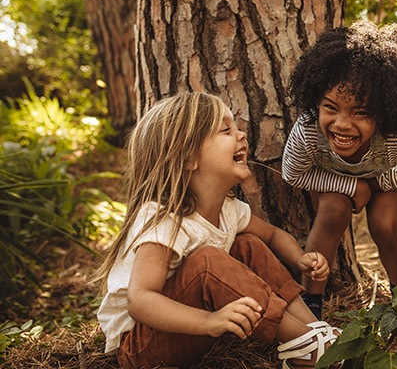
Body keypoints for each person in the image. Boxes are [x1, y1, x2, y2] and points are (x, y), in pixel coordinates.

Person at [95, 93, 339, 369]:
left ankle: (314, 330)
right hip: (143, 347)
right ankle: (306, 346)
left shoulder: (229, 210)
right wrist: (209, 322)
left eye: (236, 127)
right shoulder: (163, 218)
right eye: (226, 130)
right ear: (188, 157)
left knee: (248, 245)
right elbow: (140, 301)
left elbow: (271, 235)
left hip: (189, 331)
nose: (242, 135)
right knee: (206, 261)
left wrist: (299, 259)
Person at [281, 21, 397, 318]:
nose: (342, 123)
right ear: (316, 101)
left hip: (381, 178)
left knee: (385, 226)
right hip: (332, 181)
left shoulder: (395, 135)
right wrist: (350, 186)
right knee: (333, 211)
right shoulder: (308, 130)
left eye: (360, 112)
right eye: (330, 107)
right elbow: (292, 174)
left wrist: (383, 180)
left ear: (383, 113)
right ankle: (310, 310)